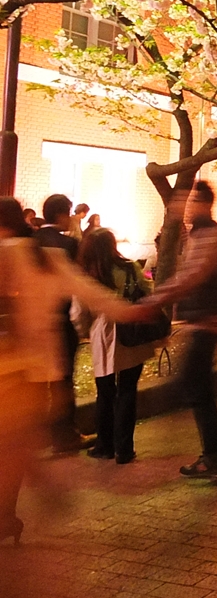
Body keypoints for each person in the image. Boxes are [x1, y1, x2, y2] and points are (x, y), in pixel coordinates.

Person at [0, 197, 140, 545]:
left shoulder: (14, 254)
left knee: (13, 446)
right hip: (31, 374)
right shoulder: (46, 257)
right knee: (15, 446)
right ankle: (12, 511)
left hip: (13, 374)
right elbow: (90, 292)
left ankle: (21, 505)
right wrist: (135, 310)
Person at [138, 181, 217, 483]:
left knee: (194, 388)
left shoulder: (210, 236)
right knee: (199, 389)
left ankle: (213, 458)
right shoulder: (199, 233)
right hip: (203, 321)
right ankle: (214, 458)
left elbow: (191, 276)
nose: (186, 207)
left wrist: (154, 301)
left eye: (191, 201)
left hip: (209, 323)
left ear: (205, 204)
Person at [77, 228, 154, 463]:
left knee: (105, 392)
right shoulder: (130, 267)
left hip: (103, 334)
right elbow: (148, 293)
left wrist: (86, 331)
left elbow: (78, 313)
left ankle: (105, 445)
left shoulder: (87, 276)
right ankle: (124, 449)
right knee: (128, 390)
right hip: (131, 331)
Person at [36, 193, 94, 453]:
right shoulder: (68, 245)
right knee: (63, 381)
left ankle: (37, 437)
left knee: (37, 384)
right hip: (61, 321)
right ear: (61, 214)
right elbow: (78, 282)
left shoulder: (32, 240)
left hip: (35, 323)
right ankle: (65, 436)